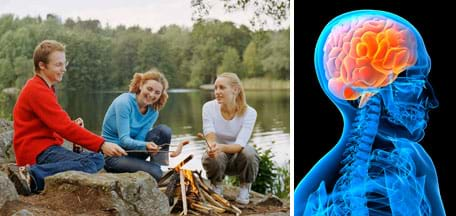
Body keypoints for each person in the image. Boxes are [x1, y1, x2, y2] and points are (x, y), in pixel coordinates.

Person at [294, 10, 446, 215]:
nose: (432, 101)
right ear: (361, 95)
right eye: (412, 84)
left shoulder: (415, 159)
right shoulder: (311, 198)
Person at [9, 40, 126, 196]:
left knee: (94, 157)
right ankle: (31, 176)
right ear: (42, 65)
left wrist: (75, 134)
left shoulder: (45, 87)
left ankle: (35, 173)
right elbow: (64, 127)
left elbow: (54, 125)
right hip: (37, 152)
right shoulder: (37, 90)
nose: (63, 69)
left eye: (64, 64)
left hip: (46, 149)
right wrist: (102, 144)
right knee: (93, 161)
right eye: (58, 65)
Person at [101, 69, 172, 181]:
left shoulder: (153, 112)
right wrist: (146, 145)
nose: (152, 95)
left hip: (132, 152)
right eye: (149, 89)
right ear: (141, 85)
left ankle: (156, 166)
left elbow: (140, 138)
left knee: (164, 131)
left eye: (157, 92)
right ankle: (154, 170)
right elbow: (124, 140)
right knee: (156, 172)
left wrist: (148, 146)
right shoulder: (124, 103)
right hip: (114, 155)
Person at [201, 72, 259, 205]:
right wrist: (212, 147)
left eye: (222, 87)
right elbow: (209, 135)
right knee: (214, 155)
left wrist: (221, 147)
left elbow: (240, 145)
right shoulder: (208, 107)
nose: (217, 92)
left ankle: (245, 188)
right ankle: (216, 186)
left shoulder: (250, 113)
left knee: (249, 152)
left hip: (237, 159)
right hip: (218, 159)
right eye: (215, 88)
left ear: (235, 90)